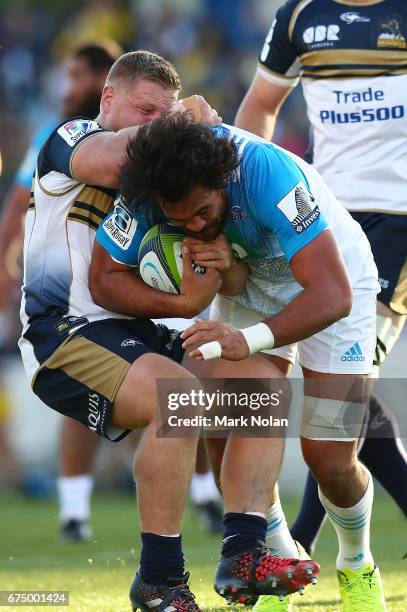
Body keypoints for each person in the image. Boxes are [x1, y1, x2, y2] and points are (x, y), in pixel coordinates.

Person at [19, 51, 316, 610]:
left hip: (136, 331)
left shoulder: (169, 186)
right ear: (108, 100)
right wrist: (180, 124)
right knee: (174, 397)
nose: (153, 123)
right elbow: (113, 162)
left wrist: (212, 271)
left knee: (260, 386)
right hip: (64, 332)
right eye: (143, 109)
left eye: (164, 114)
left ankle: (244, 552)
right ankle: (159, 578)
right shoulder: (71, 138)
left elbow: (213, 279)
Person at [109, 111, 387, 611]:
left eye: (202, 212)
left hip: (335, 289)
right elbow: (103, 275)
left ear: (221, 180)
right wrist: (220, 279)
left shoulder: (266, 173)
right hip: (252, 290)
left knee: (330, 461)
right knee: (237, 429)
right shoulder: (159, 182)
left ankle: (356, 562)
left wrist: (252, 338)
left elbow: (333, 293)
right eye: (181, 220)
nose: (193, 225)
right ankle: (272, 563)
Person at [235, 0, 407, 607]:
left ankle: (311, 553)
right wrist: (244, 211)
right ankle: (290, 556)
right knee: (273, 406)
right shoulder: (299, 15)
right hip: (313, 221)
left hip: (396, 226)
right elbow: (260, 105)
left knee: (341, 408)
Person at [0, 40, 125, 541]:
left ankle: (205, 498)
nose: (68, 89)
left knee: (172, 394)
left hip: (137, 278)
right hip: (73, 292)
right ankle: (74, 511)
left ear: (105, 85)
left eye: (77, 78)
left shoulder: (139, 137)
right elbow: (16, 205)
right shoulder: (60, 136)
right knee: (98, 397)